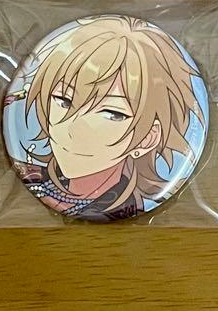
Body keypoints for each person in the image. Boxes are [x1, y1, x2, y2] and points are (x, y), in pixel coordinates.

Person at [11, 16, 204, 221]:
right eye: (64, 100)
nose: (73, 128)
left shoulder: (128, 205)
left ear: (148, 138)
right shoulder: (35, 175)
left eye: (113, 113)